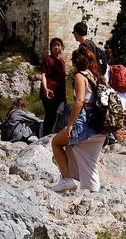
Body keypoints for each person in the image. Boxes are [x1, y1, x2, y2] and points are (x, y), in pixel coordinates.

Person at [50, 48, 104, 193]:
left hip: (85, 123)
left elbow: (79, 101)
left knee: (56, 142)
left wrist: (70, 124)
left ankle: (67, 179)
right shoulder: (97, 76)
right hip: (100, 125)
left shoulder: (80, 76)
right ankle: (92, 191)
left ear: (75, 62)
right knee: (89, 162)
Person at [39, 37, 67, 136]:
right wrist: (45, 88)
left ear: (62, 47)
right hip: (49, 91)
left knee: (58, 115)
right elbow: (43, 75)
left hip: (59, 92)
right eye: (53, 45)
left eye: (58, 45)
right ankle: (46, 136)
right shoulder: (47, 59)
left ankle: (54, 136)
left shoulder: (62, 61)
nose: (56, 47)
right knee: (50, 115)